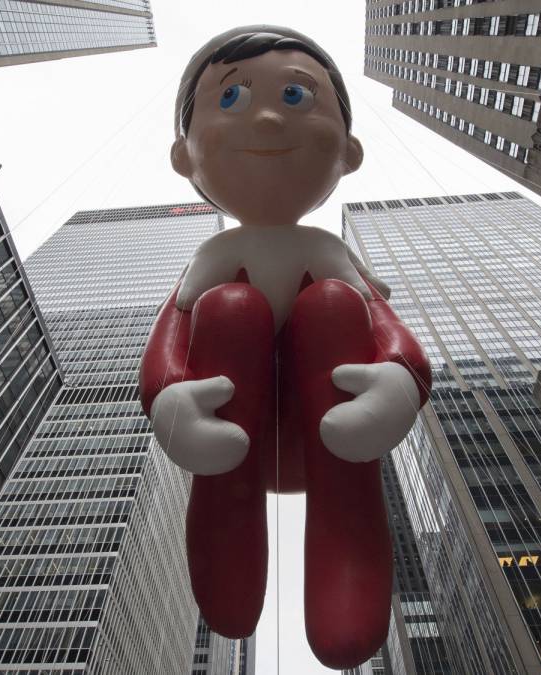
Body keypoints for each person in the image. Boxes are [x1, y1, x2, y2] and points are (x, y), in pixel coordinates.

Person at [138, 26, 431, 669]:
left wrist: (398, 380)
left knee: (332, 305)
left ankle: (346, 593)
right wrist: (171, 400)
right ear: (184, 156)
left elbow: (385, 326)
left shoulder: (330, 255)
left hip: (330, 437)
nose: (269, 118)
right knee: (230, 308)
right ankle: (228, 565)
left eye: (297, 96)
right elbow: (174, 333)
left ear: (348, 151)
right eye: (233, 97)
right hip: (233, 443)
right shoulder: (214, 259)